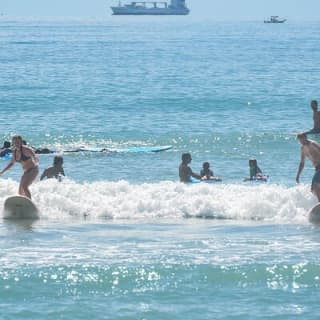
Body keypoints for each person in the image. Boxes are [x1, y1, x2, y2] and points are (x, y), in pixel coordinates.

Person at [296, 133, 320, 201]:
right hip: (317, 168)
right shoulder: (303, 148)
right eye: (300, 141)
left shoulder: (313, 144)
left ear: (306, 138)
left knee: (315, 185)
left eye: (302, 140)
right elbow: (302, 163)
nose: (301, 142)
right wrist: (298, 175)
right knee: (313, 189)